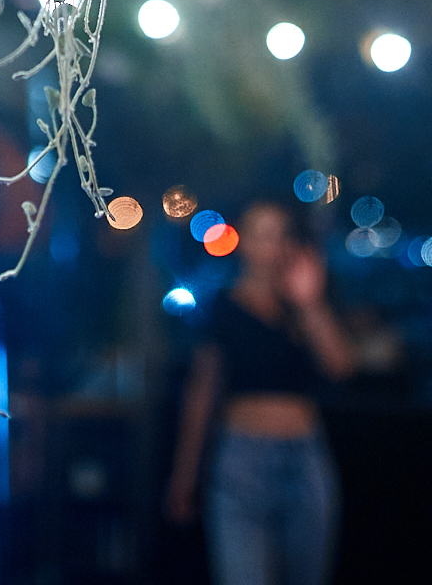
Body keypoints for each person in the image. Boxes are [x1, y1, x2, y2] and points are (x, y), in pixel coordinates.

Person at [165, 200, 353, 585]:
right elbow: (201, 395)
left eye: (279, 235)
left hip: (304, 457)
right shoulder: (222, 307)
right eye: (260, 234)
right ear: (244, 241)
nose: (270, 245)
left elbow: (341, 367)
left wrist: (310, 304)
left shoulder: (305, 305)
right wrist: (185, 476)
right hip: (242, 460)